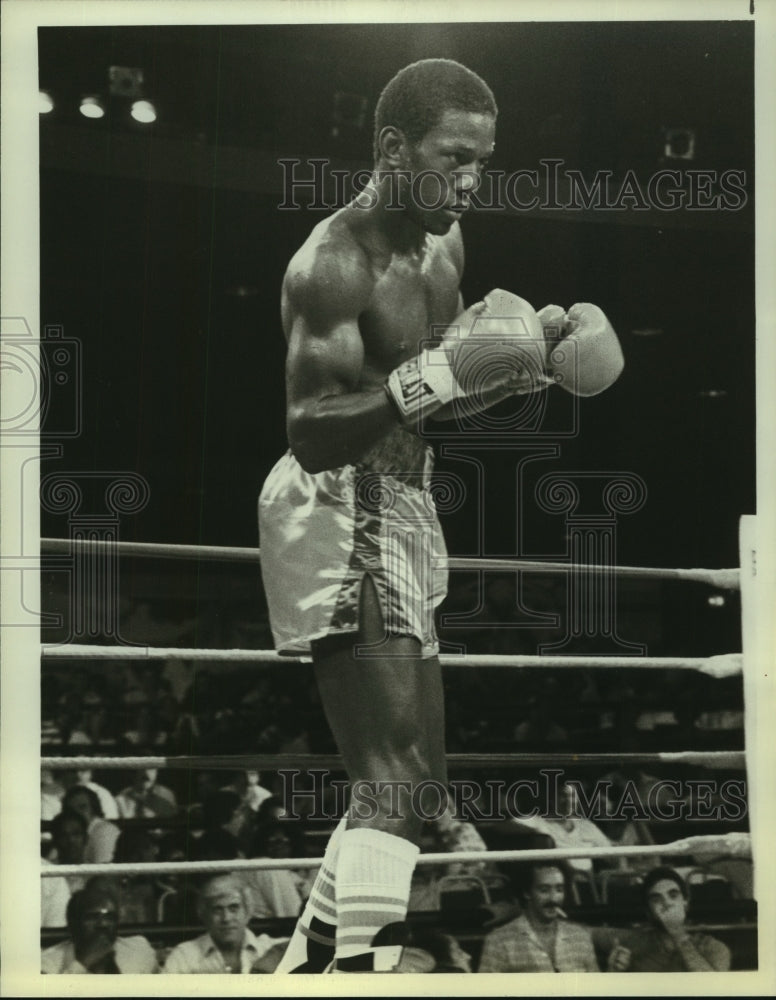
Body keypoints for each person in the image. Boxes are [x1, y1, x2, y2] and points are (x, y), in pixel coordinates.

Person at [259, 57, 623, 974]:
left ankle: (307, 965)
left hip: (409, 505)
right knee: (388, 786)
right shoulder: (333, 262)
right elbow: (309, 432)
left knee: (419, 794)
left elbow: (439, 406)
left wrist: (527, 367)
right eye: (453, 158)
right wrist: (439, 372)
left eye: (481, 162)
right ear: (393, 147)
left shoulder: (446, 246)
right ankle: (353, 976)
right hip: (339, 505)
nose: (469, 181)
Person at [478, 862, 598, 972]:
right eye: (544, 890)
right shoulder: (499, 941)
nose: (553, 898)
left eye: (559, 890)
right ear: (527, 893)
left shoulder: (580, 937)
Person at [606, 866, 731, 972]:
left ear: (685, 902)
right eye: (656, 899)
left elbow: (713, 988)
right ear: (649, 911)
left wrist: (678, 934)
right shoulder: (634, 946)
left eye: (673, 895)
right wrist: (614, 972)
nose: (666, 903)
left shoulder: (712, 947)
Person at [162, 873, 287, 974]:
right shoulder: (184, 957)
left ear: (247, 912)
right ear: (203, 915)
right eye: (217, 909)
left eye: (234, 908)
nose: (226, 918)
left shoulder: (270, 949)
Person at [41, 877, 158, 974]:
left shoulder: (139, 952)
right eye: (92, 917)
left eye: (110, 917)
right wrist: (82, 963)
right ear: (73, 924)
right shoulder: (48, 963)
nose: (103, 924)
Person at [61, 784, 120, 863]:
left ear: (94, 808)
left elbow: (102, 871)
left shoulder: (104, 831)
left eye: (82, 807)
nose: (77, 813)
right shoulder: (70, 834)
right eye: (71, 810)